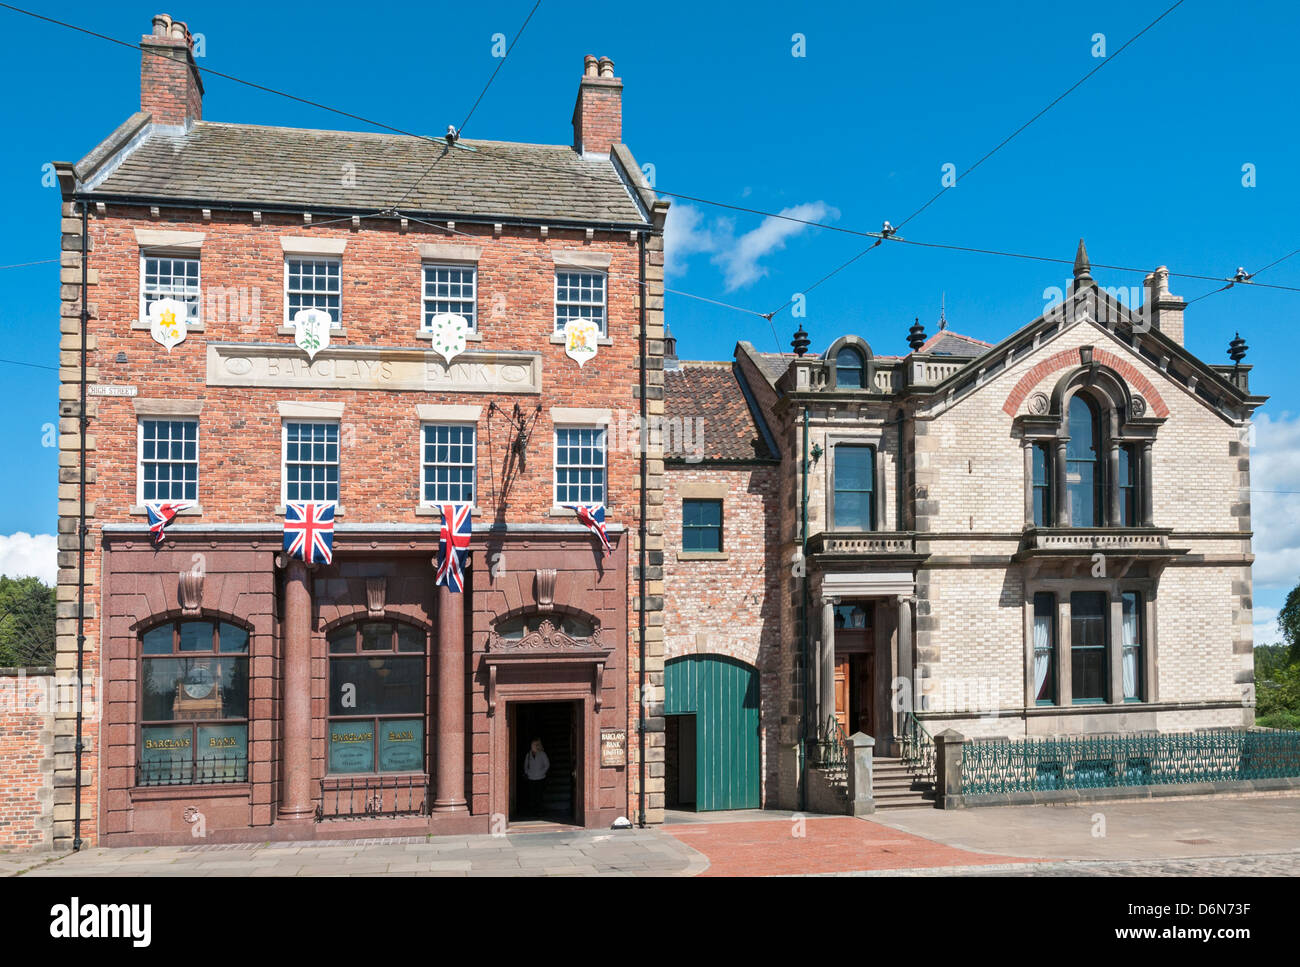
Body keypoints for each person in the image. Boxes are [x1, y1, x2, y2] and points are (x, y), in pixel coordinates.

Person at [523, 737, 550, 816]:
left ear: (537, 745)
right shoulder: (528, 754)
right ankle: (533, 812)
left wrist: (542, 772)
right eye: (532, 744)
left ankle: (539, 811)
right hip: (531, 778)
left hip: (541, 778)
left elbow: (547, 765)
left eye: (534, 744)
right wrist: (527, 772)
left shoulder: (542, 754)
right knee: (532, 796)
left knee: (539, 796)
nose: (533, 746)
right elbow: (525, 766)